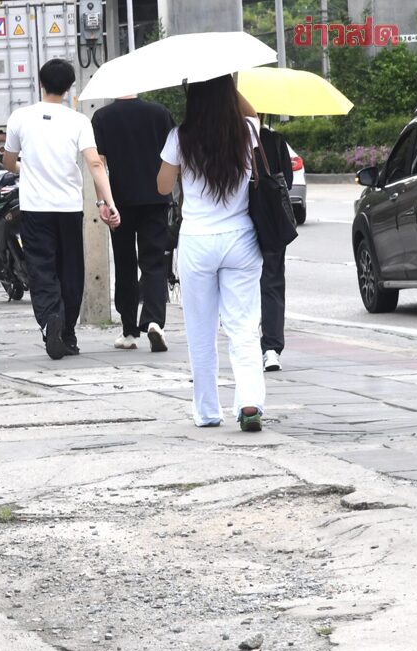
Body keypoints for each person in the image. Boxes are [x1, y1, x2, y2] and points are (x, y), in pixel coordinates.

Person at [156, 75, 266, 432]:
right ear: (228, 93)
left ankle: (207, 411)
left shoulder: (180, 137)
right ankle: (249, 402)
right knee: (244, 326)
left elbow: (162, 186)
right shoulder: (247, 131)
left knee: (200, 331)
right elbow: (253, 111)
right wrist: (227, 85)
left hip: (198, 241)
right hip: (241, 239)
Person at [2, 58, 120, 360]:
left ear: (40, 83)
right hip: (69, 208)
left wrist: (23, 168)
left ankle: (49, 321)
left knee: (42, 270)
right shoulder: (79, 120)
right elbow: (95, 163)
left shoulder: (20, 117)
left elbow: (8, 161)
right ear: (69, 88)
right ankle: (67, 333)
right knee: (71, 271)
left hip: (34, 209)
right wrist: (109, 202)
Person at [92, 95, 175, 352]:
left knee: (125, 262)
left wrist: (102, 202)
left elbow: (99, 164)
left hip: (120, 200)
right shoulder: (159, 112)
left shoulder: (102, 117)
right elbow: (173, 156)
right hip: (155, 197)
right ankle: (154, 321)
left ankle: (129, 330)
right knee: (153, 261)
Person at [257, 124, 294, 372]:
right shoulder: (273, 140)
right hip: (269, 219)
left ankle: (245, 342)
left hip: (237, 221)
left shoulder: (226, 138)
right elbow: (287, 182)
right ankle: (271, 349)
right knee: (271, 283)